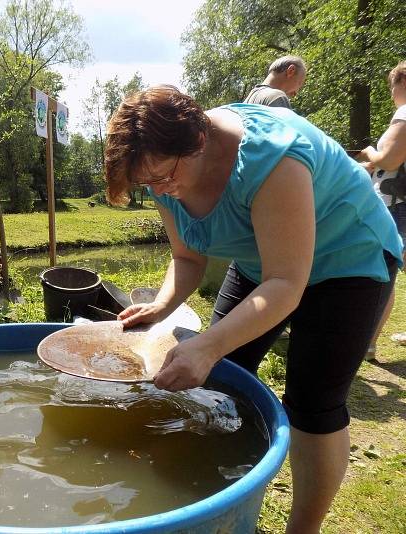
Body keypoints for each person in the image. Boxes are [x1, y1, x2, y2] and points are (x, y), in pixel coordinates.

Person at [104, 85, 402, 534]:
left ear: (199, 141)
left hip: (349, 257)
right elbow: (188, 258)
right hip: (263, 262)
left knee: (312, 403)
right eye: (149, 186)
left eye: (164, 178)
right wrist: (162, 305)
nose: (161, 191)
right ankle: (209, 486)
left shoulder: (270, 157)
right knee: (224, 371)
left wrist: (206, 346)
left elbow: (285, 283)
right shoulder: (162, 169)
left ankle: (303, 529)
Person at [357, 60, 406, 358]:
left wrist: (369, 152)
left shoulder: (404, 113)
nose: (391, 93)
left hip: (393, 205)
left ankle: (367, 342)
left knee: (379, 272)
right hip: (399, 203)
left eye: (392, 86)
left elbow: (390, 160)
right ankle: (370, 341)